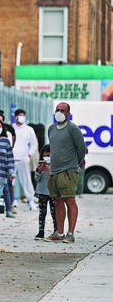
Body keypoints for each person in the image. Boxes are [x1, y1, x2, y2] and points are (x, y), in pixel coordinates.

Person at [45, 102, 87, 243]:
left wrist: (75, 164)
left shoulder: (73, 129)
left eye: (62, 110)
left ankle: (70, 233)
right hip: (54, 171)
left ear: (68, 114)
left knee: (69, 200)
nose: (59, 112)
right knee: (57, 201)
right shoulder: (51, 129)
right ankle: (60, 232)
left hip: (68, 171)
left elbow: (81, 148)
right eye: (57, 109)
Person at [12, 108, 38, 210]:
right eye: (20, 115)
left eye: (23, 116)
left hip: (23, 158)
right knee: (11, 181)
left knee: (27, 180)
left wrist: (29, 155)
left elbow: (34, 143)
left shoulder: (29, 129)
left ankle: (30, 200)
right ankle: (13, 200)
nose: (21, 118)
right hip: (12, 158)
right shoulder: (11, 128)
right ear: (15, 117)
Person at [0, 110, 16, 217]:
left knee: (5, 187)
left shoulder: (7, 134)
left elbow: (9, 149)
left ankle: (9, 208)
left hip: (3, 164)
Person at [35, 145, 58, 240]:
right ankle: (41, 231)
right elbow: (36, 179)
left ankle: (57, 230)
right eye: (45, 156)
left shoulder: (56, 165)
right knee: (42, 212)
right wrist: (39, 171)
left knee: (54, 213)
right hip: (42, 191)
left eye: (49, 155)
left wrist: (51, 170)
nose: (46, 158)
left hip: (53, 191)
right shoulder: (41, 164)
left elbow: (58, 178)